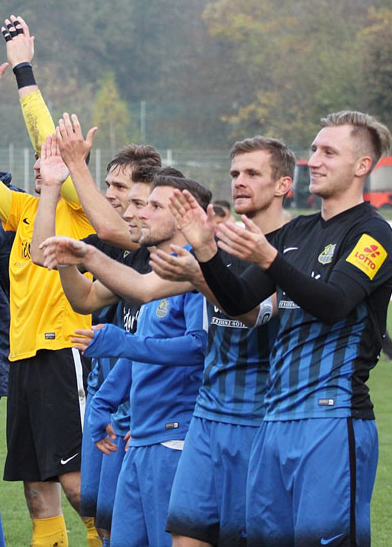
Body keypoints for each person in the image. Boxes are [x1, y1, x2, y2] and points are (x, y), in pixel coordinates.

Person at [175, 111, 392, 547]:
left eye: (328, 151)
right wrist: (206, 252)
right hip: (274, 420)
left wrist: (271, 260)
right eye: (313, 149)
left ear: (362, 166)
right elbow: (239, 300)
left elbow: (334, 304)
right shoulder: (296, 231)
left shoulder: (373, 234)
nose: (313, 160)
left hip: (332, 418)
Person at [0, 27, 97, 546]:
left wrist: (24, 72)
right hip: (21, 356)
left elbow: (51, 141)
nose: (44, 160)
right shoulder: (21, 209)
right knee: (37, 488)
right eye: (41, 159)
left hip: (63, 352)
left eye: (53, 158)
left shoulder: (78, 209)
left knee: (80, 486)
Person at [40, 173, 212, 547]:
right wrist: (103, 404)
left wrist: (123, 344)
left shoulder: (198, 274)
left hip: (175, 439)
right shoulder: (154, 273)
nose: (141, 214)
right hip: (139, 439)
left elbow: (198, 348)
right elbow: (141, 347)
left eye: (153, 206)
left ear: (184, 216)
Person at [150, 136, 294, 547]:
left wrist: (201, 273)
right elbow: (142, 289)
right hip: (207, 415)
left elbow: (252, 312)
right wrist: (81, 259)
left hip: (259, 419)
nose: (240, 182)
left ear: (283, 185)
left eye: (252, 173)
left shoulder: (289, 250)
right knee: (186, 536)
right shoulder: (221, 248)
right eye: (234, 174)